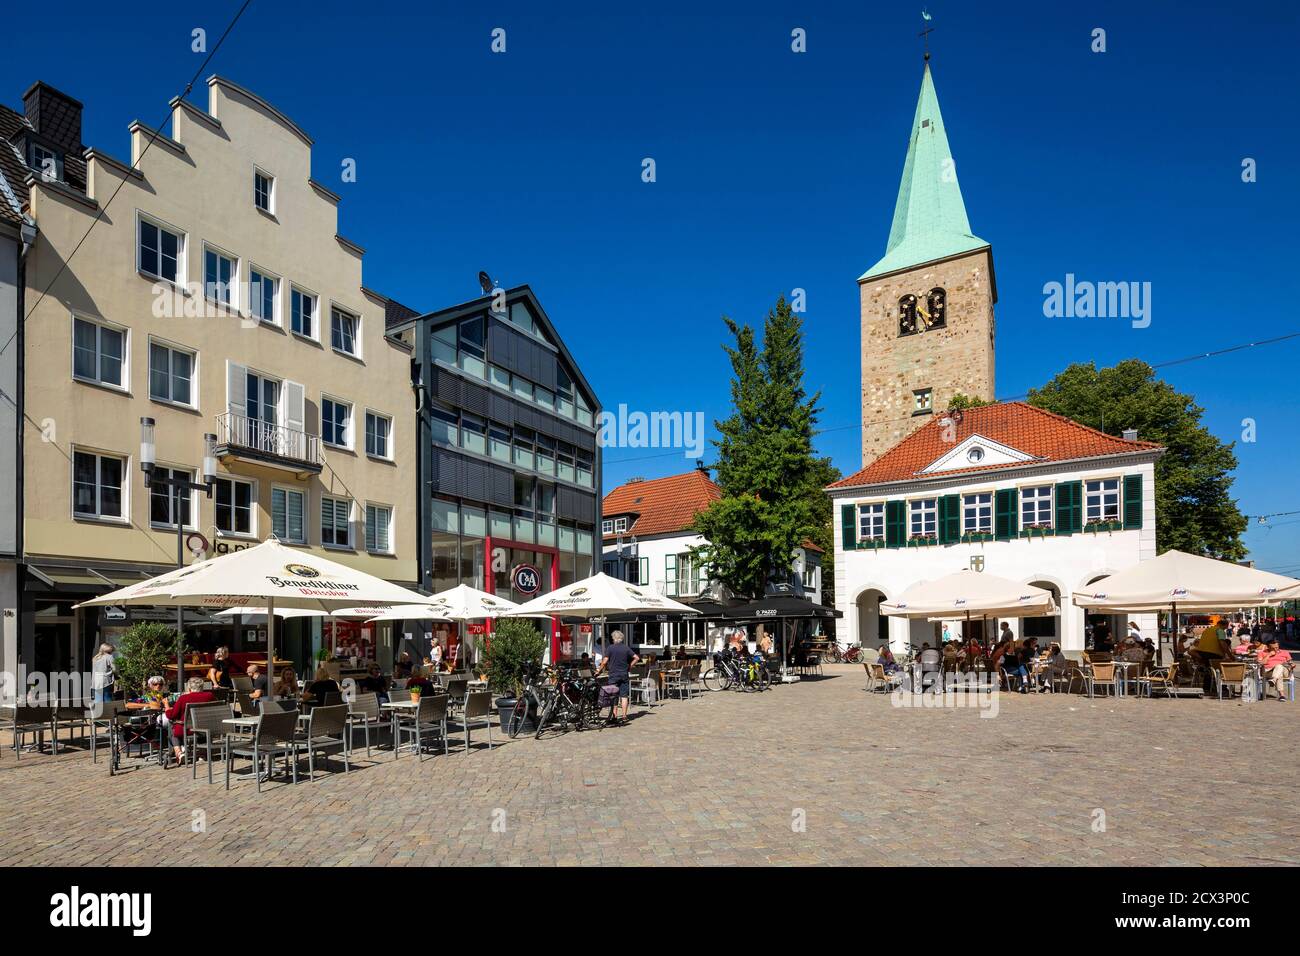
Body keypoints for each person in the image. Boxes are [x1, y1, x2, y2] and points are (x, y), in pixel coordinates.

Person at [163, 676, 216, 766]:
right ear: (202, 687)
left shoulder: (183, 698)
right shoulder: (209, 696)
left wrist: (166, 705)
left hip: (186, 729)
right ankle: (202, 754)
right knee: (200, 727)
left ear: (189, 688)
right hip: (204, 728)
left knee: (173, 731)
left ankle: (179, 754)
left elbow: (171, 715)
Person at [596, 629, 640, 723]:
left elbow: (605, 661)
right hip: (624, 674)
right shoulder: (626, 648)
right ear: (621, 638)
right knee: (624, 696)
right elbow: (636, 658)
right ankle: (624, 716)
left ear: (614, 638)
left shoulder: (610, 648)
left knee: (613, 696)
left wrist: (599, 671)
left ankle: (615, 716)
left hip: (613, 675)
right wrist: (629, 666)